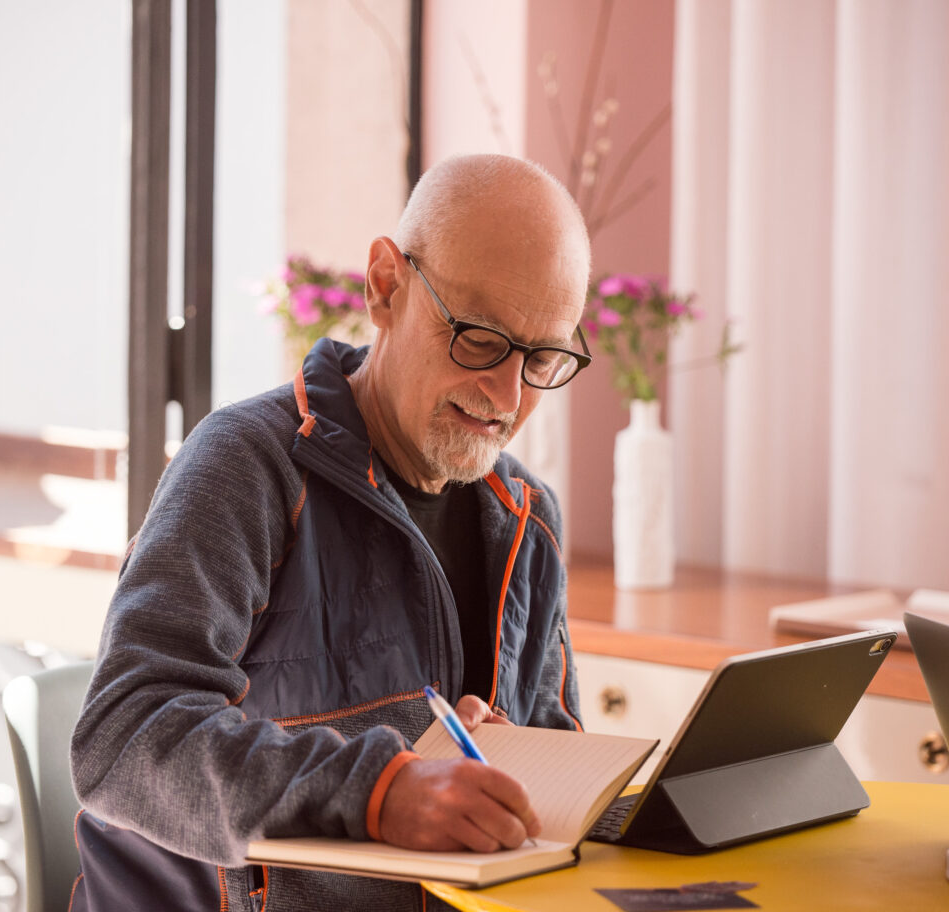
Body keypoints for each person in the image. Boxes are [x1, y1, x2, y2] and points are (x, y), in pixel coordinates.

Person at [69, 153, 594, 911]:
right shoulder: (248, 466)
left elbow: (560, 781)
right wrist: (386, 789)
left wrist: (511, 767)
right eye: (479, 339)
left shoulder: (523, 516)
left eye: (542, 357)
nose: (507, 395)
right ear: (385, 286)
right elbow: (123, 740)